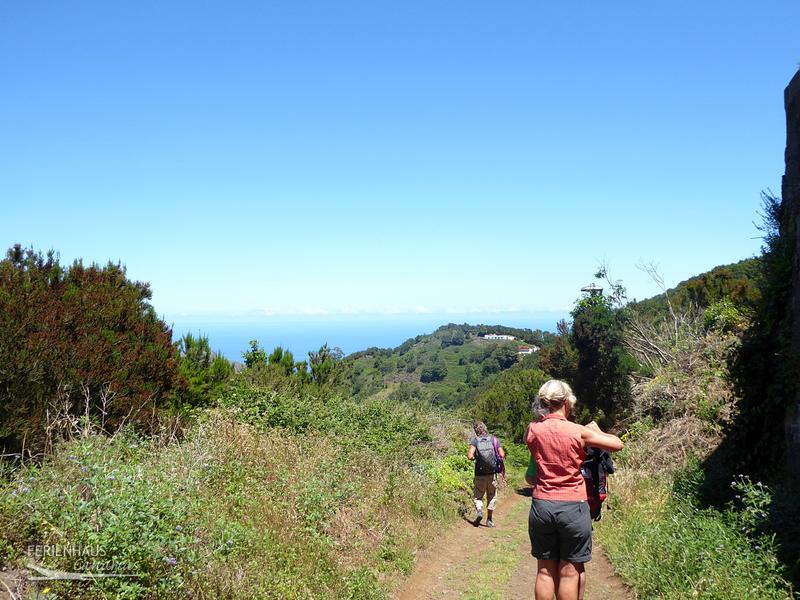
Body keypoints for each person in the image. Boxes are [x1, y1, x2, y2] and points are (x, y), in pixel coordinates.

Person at [525, 380, 623, 600]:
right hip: (573, 506)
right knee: (569, 572)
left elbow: (532, 446)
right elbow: (617, 444)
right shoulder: (578, 432)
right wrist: (597, 430)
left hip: (541, 504)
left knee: (544, 570)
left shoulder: (533, 430)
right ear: (567, 402)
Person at [467, 421, 505, 527]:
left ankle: (479, 510)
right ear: (485, 428)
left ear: (476, 431)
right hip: (492, 474)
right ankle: (489, 520)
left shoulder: (475, 441)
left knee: (478, 496)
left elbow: (470, 456)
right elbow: (502, 454)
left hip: (479, 474)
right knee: (491, 496)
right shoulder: (494, 439)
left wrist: (476, 458)